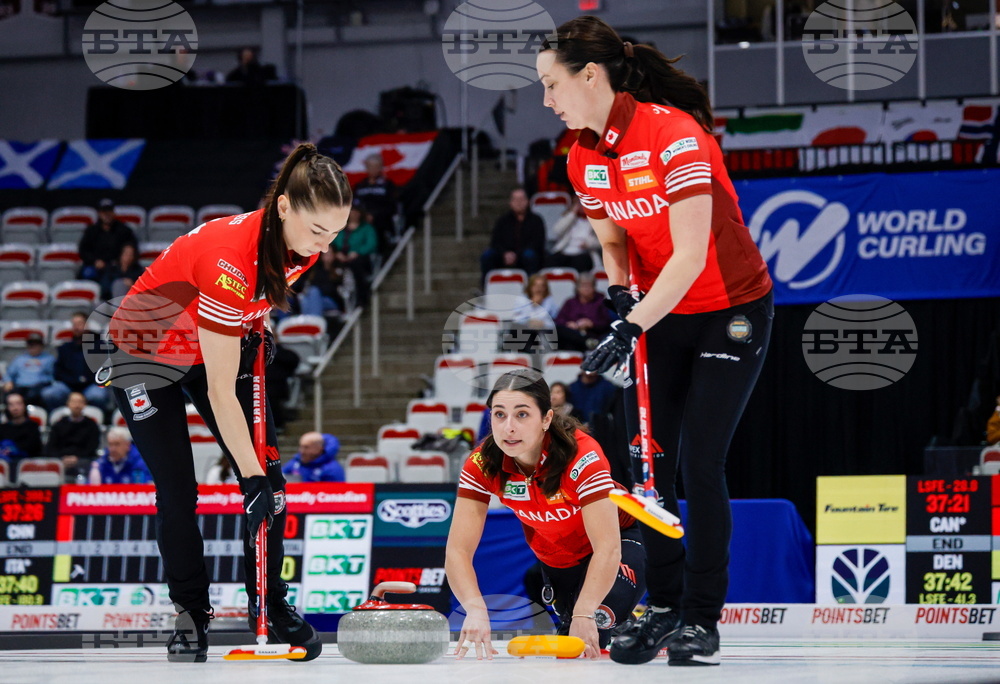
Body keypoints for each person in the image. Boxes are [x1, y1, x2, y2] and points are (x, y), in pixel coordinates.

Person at [538, 17, 774, 666]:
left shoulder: (675, 135)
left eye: (551, 84)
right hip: (657, 313)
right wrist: (619, 292)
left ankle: (701, 619)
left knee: (701, 463)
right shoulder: (581, 157)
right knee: (648, 465)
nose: (547, 100)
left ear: (591, 75)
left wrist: (629, 324)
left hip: (731, 308)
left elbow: (691, 255)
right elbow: (613, 241)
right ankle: (664, 608)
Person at [104, 142, 351, 662]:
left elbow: (259, 297)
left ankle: (270, 604)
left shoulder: (302, 247)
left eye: (335, 233)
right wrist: (250, 477)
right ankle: (191, 613)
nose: (324, 246)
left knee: (272, 484)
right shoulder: (229, 262)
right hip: (145, 352)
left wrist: (260, 325)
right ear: (283, 207)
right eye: (317, 231)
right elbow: (219, 390)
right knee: (179, 491)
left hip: (208, 340)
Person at [447, 369, 646, 661]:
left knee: (596, 623)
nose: (509, 427)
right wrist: (475, 609)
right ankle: (618, 619)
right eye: (499, 415)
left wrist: (584, 613)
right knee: (571, 646)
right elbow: (458, 551)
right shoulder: (481, 463)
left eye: (522, 414)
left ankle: (630, 618)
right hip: (558, 558)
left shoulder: (582, 455)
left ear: (546, 419)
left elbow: (607, 547)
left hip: (620, 543)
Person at [42, 312, 112, 412]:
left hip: (91, 384)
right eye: (74, 324)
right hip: (68, 385)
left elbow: (104, 369)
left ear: (86, 325)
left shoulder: (99, 346)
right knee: (50, 393)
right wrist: (72, 381)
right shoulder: (65, 348)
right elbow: (58, 370)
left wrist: (87, 380)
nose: (76, 327)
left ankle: (96, 418)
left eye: (79, 324)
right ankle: (59, 417)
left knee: (98, 395)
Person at [480, 188, 546, 283]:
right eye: (515, 200)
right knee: (487, 255)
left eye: (521, 199)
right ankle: (486, 287)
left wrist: (517, 254)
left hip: (524, 254)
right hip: (504, 255)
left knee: (530, 255)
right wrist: (504, 253)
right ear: (510, 203)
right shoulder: (502, 220)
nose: (519, 203)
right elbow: (495, 241)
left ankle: (532, 287)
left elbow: (537, 242)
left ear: (527, 201)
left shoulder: (536, 220)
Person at [78, 199, 138, 284]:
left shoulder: (124, 230)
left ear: (113, 212)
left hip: (116, 267)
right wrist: (95, 261)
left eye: (109, 211)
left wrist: (122, 262)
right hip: (96, 267)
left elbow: (132, 248)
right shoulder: (91, 231)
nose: (107, 214)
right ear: (99, 213)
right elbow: (83, 251)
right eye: (104, 212)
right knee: (87, 273)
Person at [46, 391, 101, 483]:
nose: (77, 405)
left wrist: (77, 458)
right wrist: (63, 458)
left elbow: (92, 447)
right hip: (61, 460)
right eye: (74, 402)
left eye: (80, 402)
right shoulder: (58, 425)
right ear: (68, 404)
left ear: (84, 404)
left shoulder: (91, 425)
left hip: (83, 460)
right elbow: (51, 447)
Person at [332, 203, 378, 308]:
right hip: (341, 257)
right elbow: (333, 242)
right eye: (351, 211)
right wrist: (337, 253)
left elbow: (372, 244)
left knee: (356, 265)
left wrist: (357, 252)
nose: (353, 214)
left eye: (356, 211)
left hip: (359, 258)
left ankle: (361, 298)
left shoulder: (367, 228)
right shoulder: (341, 228)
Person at [352, 152, 399, 249]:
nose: (373, 169)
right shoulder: (360, 185)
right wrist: (364, 215)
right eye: (370, 166)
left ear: (380, 167)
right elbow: (355, 203)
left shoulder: (387, 185)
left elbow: (391, 206)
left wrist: (374, 215)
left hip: (381, 219)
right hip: (362, 218)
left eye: (376, 167)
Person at [555, 273, 612, 352]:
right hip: (573, 335)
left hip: (593, 334)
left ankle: (587, 342)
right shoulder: (570, 302)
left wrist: (591, 323)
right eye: (583, 286)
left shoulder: (600, 301)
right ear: (577, 287)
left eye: (589, 286)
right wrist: (569, 324)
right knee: (559, 331)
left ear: (594, 287)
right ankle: (586, 342)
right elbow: (559, 320)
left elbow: (606, 322)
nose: (586, 289)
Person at [547, 196, 602, 273]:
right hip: (565, 251)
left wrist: (589, 244)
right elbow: (557, 231)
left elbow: (601, 241)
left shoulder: (595, 220)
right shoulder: (568, 217)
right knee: (551, 260)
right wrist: (572, 214)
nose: (582, 206)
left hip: (584, 253)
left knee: (581, 262)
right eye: (579, 203)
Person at [2, 333, 55, 407]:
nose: (32, 346)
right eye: (30, 344)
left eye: (36, 344)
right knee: (10, 395)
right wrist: (8, 381)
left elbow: (53, 375)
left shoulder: (49, 359)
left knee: (33, 394)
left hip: (39, 386)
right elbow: (9, 373)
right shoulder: (20, 359)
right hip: (20, 386)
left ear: (41, 346)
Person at [0, 393, 43, 471]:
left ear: (24, 405)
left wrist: (16, 451)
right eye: (11, 405)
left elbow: (35, 450)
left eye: (18, 404)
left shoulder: (33, 427)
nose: (15, 408)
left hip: (29, 467)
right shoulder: (2, 428)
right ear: (7, 407)